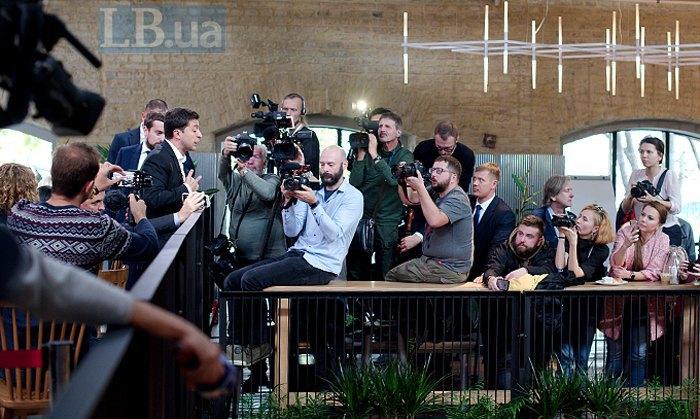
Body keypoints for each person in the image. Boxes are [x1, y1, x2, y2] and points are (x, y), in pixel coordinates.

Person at [0, 226, 225, 394]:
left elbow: (63, 283)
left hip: (22, 364)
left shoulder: (18, 223)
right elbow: (65, 284)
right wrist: (182, 331)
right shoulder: (95, 226)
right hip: (41, 363)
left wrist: (181, 330)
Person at [223, 145, 362, 368]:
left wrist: (314, 204)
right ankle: (241, 345)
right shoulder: (312, 190)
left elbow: (334, 234)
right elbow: (291, 230)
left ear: (344, 165)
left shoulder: (353, 197)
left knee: (250, 280)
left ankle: (258, 344)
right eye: (322, 164)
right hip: (298, 253)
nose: (325, 169)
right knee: (232, 279)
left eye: (331, 164)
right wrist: (288, 204)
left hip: (322, 263)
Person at [7, 143, 159, 273]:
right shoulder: (96, 226)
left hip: (27, 299)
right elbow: (149, 247)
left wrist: (93, 188)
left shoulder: (19, 213)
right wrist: (141, 216)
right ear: (88, 187)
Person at [476, 215, 556, 388]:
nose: (522, 240)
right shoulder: (505, 247)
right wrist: (491, 278)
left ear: (539, 240)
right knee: (503, 367)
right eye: (520, 234)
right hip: (503, 320)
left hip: (536, 322)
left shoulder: (547, 250)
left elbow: (550, 270)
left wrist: (526, 271)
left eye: (529, 236)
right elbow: (492, 267)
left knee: (535, 368)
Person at [601, 201, 670, 387]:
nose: (643, 219)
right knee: (615, 353)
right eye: (643, 214)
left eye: (650, 217)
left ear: (659, 223)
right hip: (617, 301)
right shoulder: (626, 230)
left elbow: (655, 272)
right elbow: (615, 265)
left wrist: (630, 275)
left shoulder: (663, 239)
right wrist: (625, 245)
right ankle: (609, 397)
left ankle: (635, 397)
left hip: (645, 304)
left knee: (638, 353)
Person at [348, 111, 413, 280]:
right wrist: (361, 156)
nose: (382, 129)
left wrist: (375, 156)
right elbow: (354, 183)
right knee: (357, 272)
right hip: (364, 219)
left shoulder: (404, 155)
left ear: (398, 132)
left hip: (387, 223)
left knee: (385, 272)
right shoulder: (369, 152)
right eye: (380, 126)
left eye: (387, 126)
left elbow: (394, 180)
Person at [386, 156, 473, 284]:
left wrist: (420, 187)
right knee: (396, 273)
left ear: (453, 177)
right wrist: (402, 179)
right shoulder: (437, 191)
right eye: (433, 170)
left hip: (449, 268)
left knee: (393, 276)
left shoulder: (458, 198)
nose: (433, 174)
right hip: (432, 262)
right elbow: (410, 199)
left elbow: (435, 220)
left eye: (439, 171)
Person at [555, 204, 615, 376]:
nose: (578, 221)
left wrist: (573, 244)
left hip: (588, 310)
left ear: (595, 228)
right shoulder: (569, 239)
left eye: (584, 219)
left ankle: (581, 392)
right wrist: (562, 236)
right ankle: (563, 391)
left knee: (581, 359)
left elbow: (577, 274)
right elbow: (560, 266)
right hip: (565, 308)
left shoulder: (601, 250)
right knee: (565, 357)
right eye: (579, 216)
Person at [219, 139, 285, 265]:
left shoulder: (273, 179)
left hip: (269, 259)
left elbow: (267, 193)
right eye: (248, 155)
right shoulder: (236, 181)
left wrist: (244, 171)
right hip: (240, 257)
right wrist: (225, 154)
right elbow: (223, 173)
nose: (250, 161)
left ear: (265, 163)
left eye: (256, 156)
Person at [142, 108, 201, 223]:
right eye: (194, 130)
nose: (200, 135)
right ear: (177, 134)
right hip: (162, 230)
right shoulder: (158, 158)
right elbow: (153, 198)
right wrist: (186, 188)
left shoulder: (187, 159)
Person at [620, 136, 682, 246]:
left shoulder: (668, 175)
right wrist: (631, 195)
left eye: (649, 152)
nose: (644, 155)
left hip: (667, 230)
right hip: (643, 231)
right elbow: (625, 209)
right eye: (641, 152)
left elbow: (676, 207)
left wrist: (653, 200)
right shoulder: (636, 174)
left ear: (660, 156)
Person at [468, 162, 516, 280]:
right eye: (474, 179)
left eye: (481, 180)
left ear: (493, 184)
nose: (475, 183)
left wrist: (487, 275)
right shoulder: (466, 202)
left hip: (481, 275)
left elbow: (497, 251)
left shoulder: (504, 214)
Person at [412, 121, 475, 191]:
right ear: (434, 138)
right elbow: (414, 173)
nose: (443, 152)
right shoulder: (423, 148)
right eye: (439, 147)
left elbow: (464, 186)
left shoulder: (466, 155)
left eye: (448, 148)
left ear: (456, 139)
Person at [107, 99, 168, 163]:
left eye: (162, 118)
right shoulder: (122, 140)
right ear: (143, 116)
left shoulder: (170, 141)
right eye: (152, 118)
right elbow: (111, 167)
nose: (158, 121)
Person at [281, 93, 320, 178]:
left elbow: (308, 168)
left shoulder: (309, 136)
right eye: (285, 109)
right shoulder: (283, 135)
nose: (288, 113)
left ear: (302, 112)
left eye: (293, 110)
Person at [532, 175, 576, 248]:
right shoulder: (538, 217)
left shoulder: (572, 218)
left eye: (571, 190)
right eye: (567, 190)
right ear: (553, 196)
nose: (572, 195)